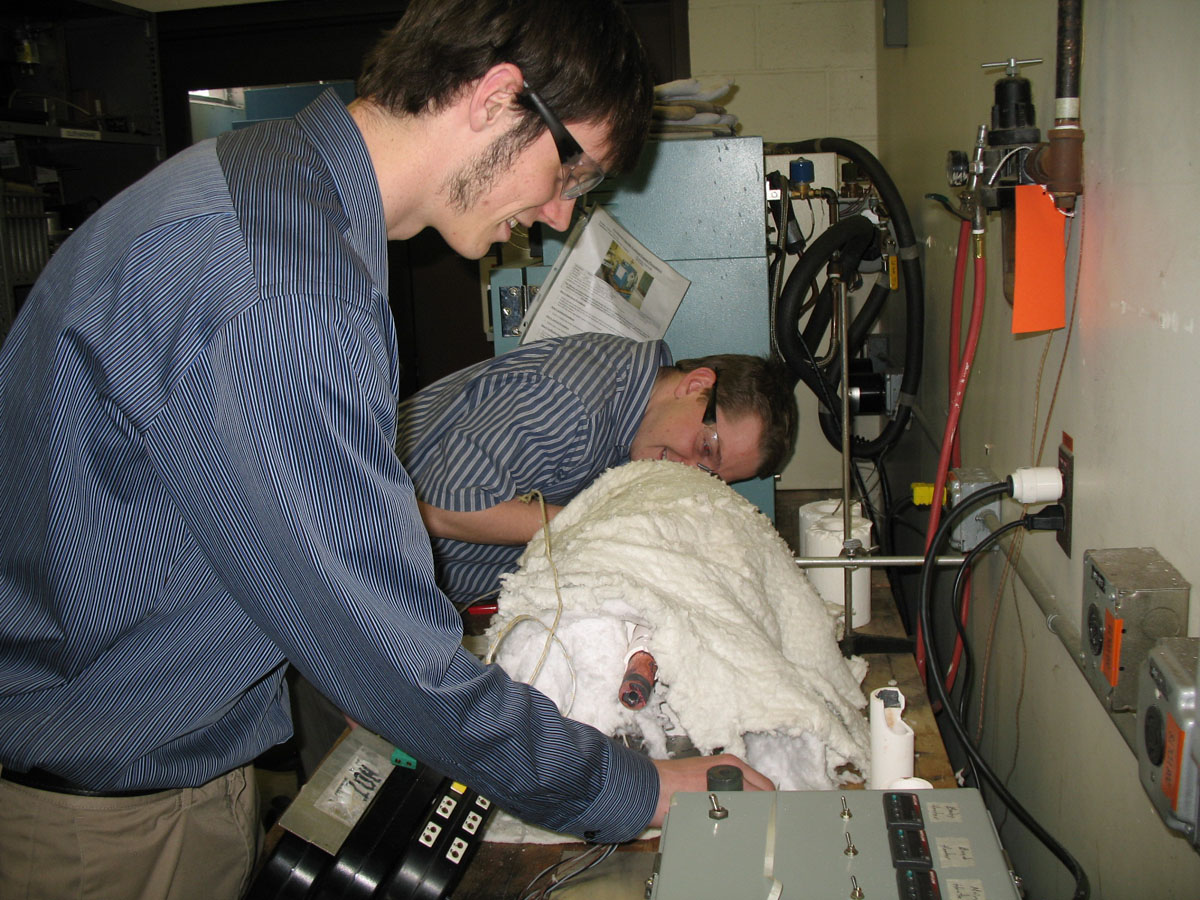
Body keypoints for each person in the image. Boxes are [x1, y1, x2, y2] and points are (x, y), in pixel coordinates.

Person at [0, 2, 773, 897]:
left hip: (156, 763)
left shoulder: (264, 193)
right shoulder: (285, 279)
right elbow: (384, 652)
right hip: (111, 817)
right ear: (494, 100)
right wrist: (630, 789)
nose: (562, 216)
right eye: (572, 171)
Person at [396, 332, 798, 606]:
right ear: (696, 386)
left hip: (409, 595)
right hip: (346, 560)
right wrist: (602, 527)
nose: (687, 471)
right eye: (705, 448)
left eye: (709, 476)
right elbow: (448, 506)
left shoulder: (634, 433)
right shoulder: (574, 399)